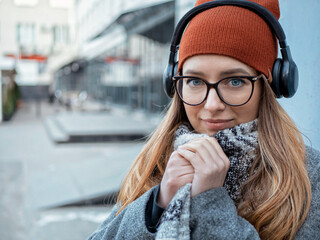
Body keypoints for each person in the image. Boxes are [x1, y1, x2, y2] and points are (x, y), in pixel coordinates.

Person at [88, 0, 320, 239]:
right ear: (175, 84)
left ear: (269, 85)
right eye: (195, 81)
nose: (212, 105)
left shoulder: (308, 177)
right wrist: (158, 204)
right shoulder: (157, 162)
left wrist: (209, 203)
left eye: (235, 81)